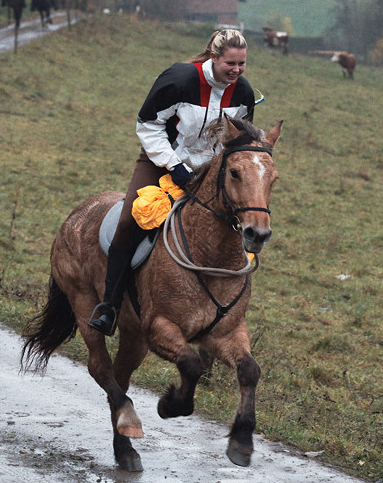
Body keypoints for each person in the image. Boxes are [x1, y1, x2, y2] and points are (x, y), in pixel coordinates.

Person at [88, 29, 257, 336]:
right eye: (230, 63)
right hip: (160, 161)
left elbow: (238, 140)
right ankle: (109, 306)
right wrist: (175, 166)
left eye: (242, 64)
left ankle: (221, 316)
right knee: (131, 221)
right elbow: (148, 126)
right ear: (214, 57)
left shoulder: (243, 92)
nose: (236, 70)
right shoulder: (180, 79)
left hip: (209, 171)